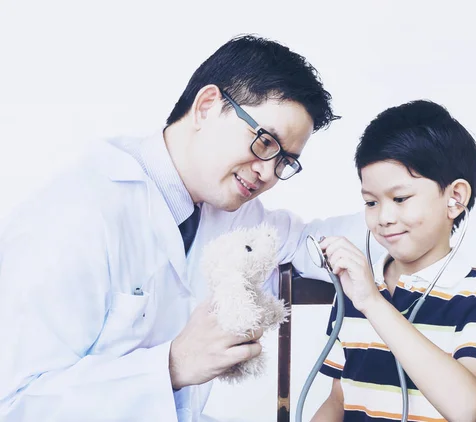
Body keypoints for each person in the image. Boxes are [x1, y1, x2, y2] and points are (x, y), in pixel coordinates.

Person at [0, 35, 383, 422]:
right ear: (206, 107)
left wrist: (424, 218)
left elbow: (310, 243)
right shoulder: (74, 214)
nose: (269, 173)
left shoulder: (230, 211)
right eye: (265, 142)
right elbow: (15, 403)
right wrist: (172, 366)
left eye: (284, 161)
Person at [312, 100, 476, 421]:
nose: (384, 217)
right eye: (371, 202)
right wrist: (364, 297)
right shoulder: (354, 291)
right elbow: (338, 401)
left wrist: (373, 303)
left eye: (400, 198)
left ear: (455, 198)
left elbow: (465, 407)